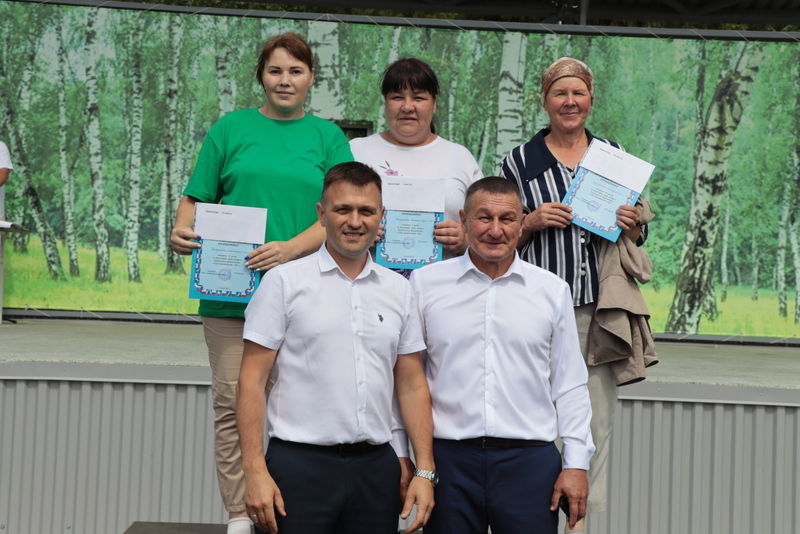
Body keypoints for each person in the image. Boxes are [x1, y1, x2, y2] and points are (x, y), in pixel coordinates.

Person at [169, 33, 353, 534]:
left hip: (305, 290)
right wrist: (181, 228)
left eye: (295, 71)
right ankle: (239, 514)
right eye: (275, 71)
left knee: (301, 406)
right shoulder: (230, 129)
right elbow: (196, 197)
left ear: (311, 77)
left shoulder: (328, 138)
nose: (285, 80)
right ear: (261, 77)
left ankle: (296, 510)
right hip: (231, 299)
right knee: (233, 405)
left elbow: (341, 215)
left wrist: (290, 250)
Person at [237, 162, 436, 534]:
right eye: (343, 209)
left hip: (376, 470)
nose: (355, 221)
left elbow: (411, 384)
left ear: (381, 217)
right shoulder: (283, 283)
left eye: (366, 211)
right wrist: (254, 470)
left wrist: (424, 470)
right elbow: (250, 382)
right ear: (321, 214)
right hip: (298, 468)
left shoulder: (399, 290)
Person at [499, 57, 649, 532]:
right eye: (560, 93)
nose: (569, 102)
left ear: (591, 99)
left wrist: (634, 224)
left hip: (596, 310)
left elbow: (636, 234)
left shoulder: (612, 155)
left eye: (578, 93)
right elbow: (496, 234)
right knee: (533, 417)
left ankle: (579, 524)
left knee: (593, 421)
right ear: (544, 101)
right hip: (535, 310)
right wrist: (530, 221)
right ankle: (530, 514)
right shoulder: (519, 161)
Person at [409, 177, 594, 534]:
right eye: (484, 218)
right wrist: (409, 457)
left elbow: (570, 383)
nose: (495, 230)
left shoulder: (551, 292)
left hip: (529, 464)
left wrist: (576, 463)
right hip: (448, 462)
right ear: (463, 219)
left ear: (523, 222)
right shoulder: (424, 284)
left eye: (507, 219)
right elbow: (408, 378)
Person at [350, 57, 483, 260]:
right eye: (397, 97)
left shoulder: (459, 157)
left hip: (444, 285)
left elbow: (485, 222)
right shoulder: (356, 151)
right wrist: (357, 233)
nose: (407, 106)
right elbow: (332, 218)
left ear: (434, 104)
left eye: (418, 98)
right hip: (369, 282)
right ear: (385, 103)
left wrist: (466, 241)